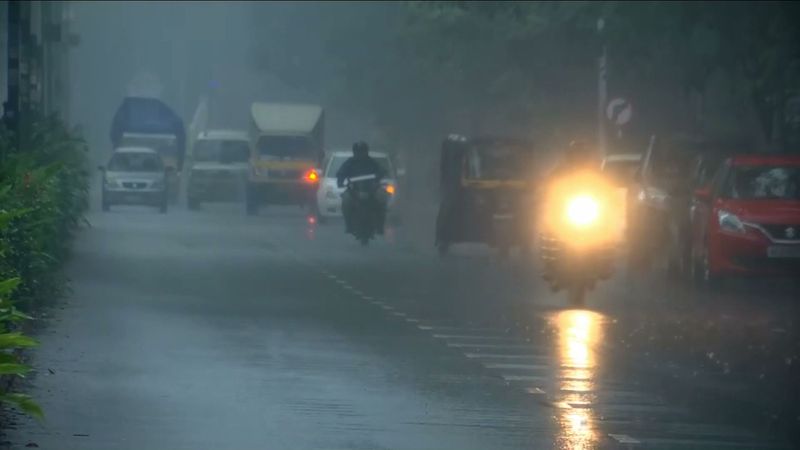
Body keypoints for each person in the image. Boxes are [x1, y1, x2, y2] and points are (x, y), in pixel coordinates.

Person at [336, 141, 388, 235]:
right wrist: (340, 182)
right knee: (346, 201)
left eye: (362, 151)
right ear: (354, 152)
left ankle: (380, 226)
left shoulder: (372, 162)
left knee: (382, 197)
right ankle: (349, 225)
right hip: (354, 189)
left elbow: (382, 170)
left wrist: (379, 176)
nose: (360, 154)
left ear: (366, 151)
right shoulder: (349, 163)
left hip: (371, 189)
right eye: (358, 151)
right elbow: (341, 173)